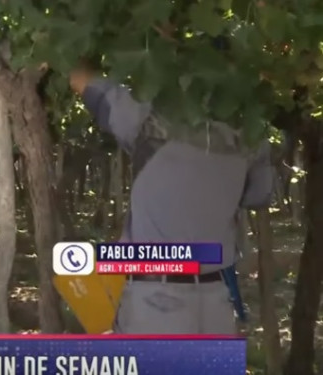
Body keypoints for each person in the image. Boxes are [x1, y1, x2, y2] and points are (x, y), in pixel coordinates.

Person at [68, 67, 274, 334]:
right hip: (215, 300)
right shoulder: (251, 136)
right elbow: (258, 196)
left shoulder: (152, 117)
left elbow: (85, 82)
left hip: (157, 301)